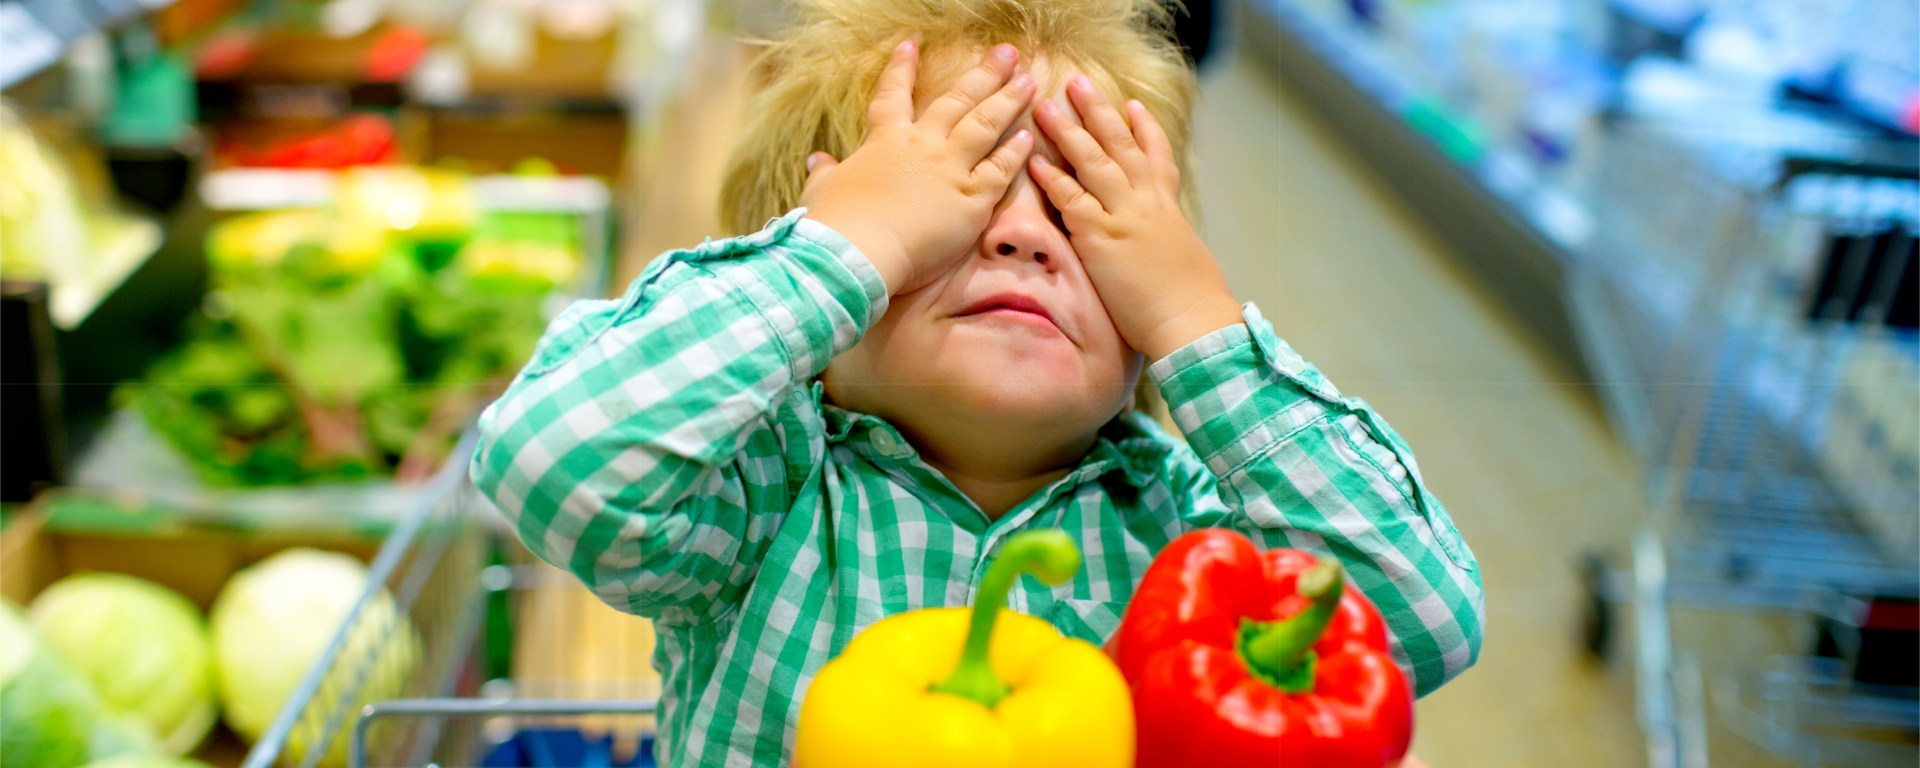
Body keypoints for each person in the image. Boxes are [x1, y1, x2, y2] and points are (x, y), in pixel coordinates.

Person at [471, 0, 1483, 764]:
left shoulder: (1190, 539)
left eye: (1087, 212)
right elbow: (549, 463)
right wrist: (841, 249)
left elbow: (1421, 625)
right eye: (958, 198)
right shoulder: (758, 496)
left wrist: (1197, 320)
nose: (1023, 236)